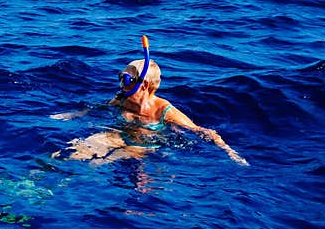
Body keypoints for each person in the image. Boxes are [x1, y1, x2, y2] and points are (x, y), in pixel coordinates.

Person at [51, 36, 248, 166]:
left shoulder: (163, 110)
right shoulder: (121, 100)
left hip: (144, 145)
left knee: (94, 164)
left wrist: (229, 152)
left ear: (144, 85)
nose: (121, 84)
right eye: (120, 76)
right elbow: (98, 108)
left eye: (126, 79)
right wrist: (73, 115)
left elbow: (203, 132)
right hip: (117, 135)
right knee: (71, 151)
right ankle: (36, 179)